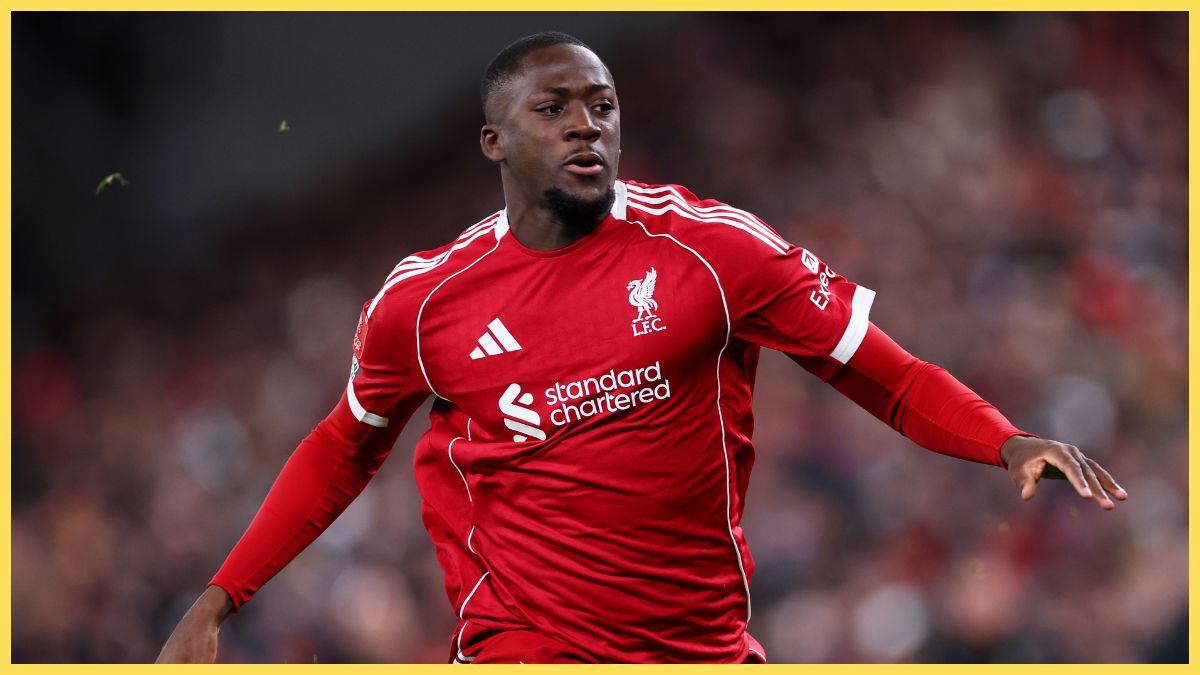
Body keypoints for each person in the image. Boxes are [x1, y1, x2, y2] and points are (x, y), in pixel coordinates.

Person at [156, 32, 1127, 665]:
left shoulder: (712, 251)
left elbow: (884, 373)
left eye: (603, 104)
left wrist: (1004, 441)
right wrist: (223, 594)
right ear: (493, 142)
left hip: (701, 648)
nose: (587, 124)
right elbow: (345, 444)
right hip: (520, 647)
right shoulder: (425, 303)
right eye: (554, 108)